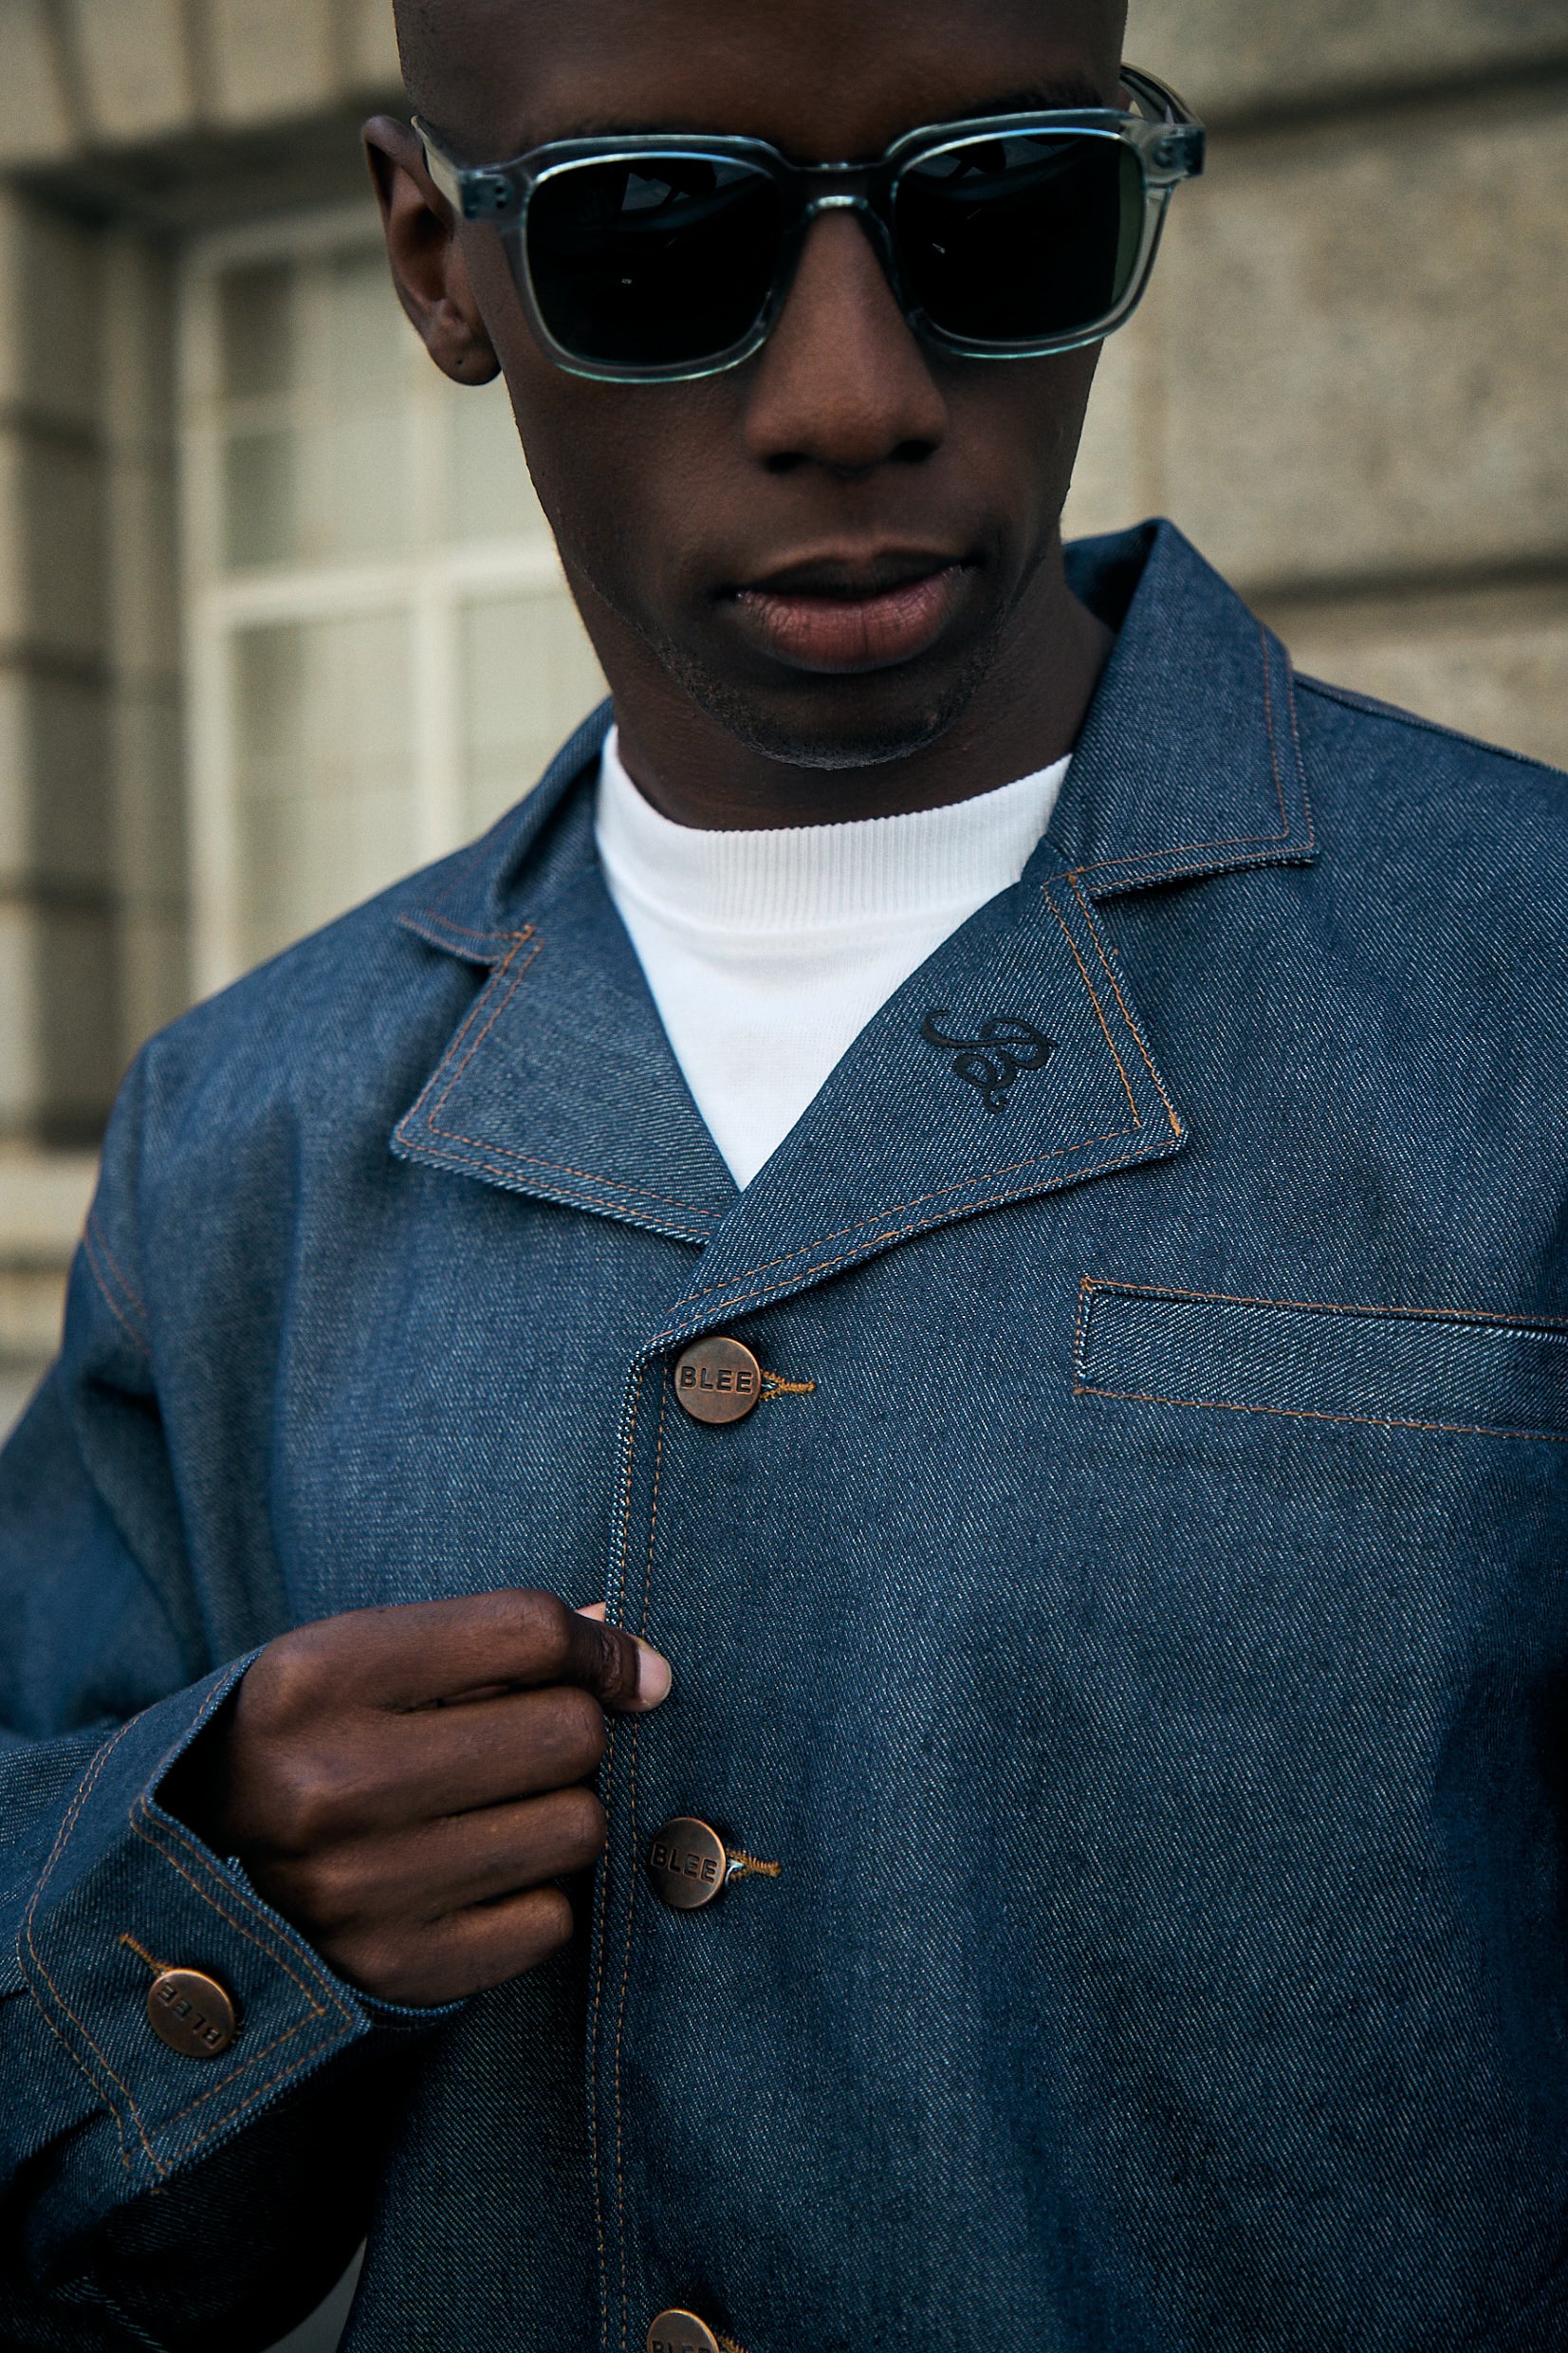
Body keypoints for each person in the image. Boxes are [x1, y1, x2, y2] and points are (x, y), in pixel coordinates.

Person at [3, 0, 1566, 2344]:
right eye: (659, 239)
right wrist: (197, 1878)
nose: (851, 391)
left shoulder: (1521, 996)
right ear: (439, 257)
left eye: (999, 215)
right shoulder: (249, 1127)